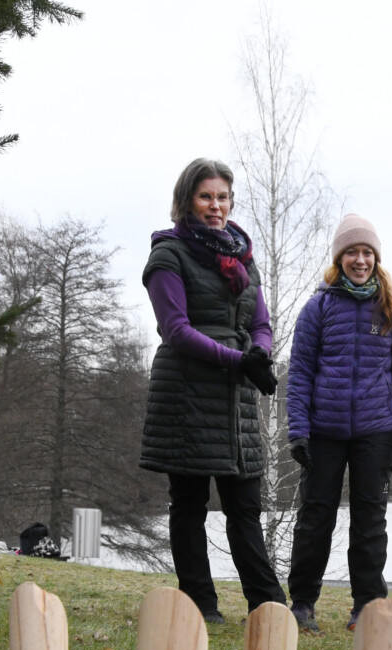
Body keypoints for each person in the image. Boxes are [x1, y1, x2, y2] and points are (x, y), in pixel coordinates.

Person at [139, 157, 287, 624]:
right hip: (186, 394)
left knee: (245, 506)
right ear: (187, 201)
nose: (216, 206)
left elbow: (259, 321)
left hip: (235, 398)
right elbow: (176, 330)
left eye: (222, 197)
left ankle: (268, 607)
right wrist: (238, 360)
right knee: (189, 504)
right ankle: (200, 605)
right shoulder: (168, 256)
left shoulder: (242, 257)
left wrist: (259, 354)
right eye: (206, 196)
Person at [284, 214, 392, 632]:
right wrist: (297, 431)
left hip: (376, 433)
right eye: (351, 253)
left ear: (376, 259)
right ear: (339, 258)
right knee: (315, 518)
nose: (359, 260)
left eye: (367, 253)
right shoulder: (318, 306)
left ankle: (367, 607)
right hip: (323, 433)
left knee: (369, 521)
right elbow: (300, 372)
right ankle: (302, 604)